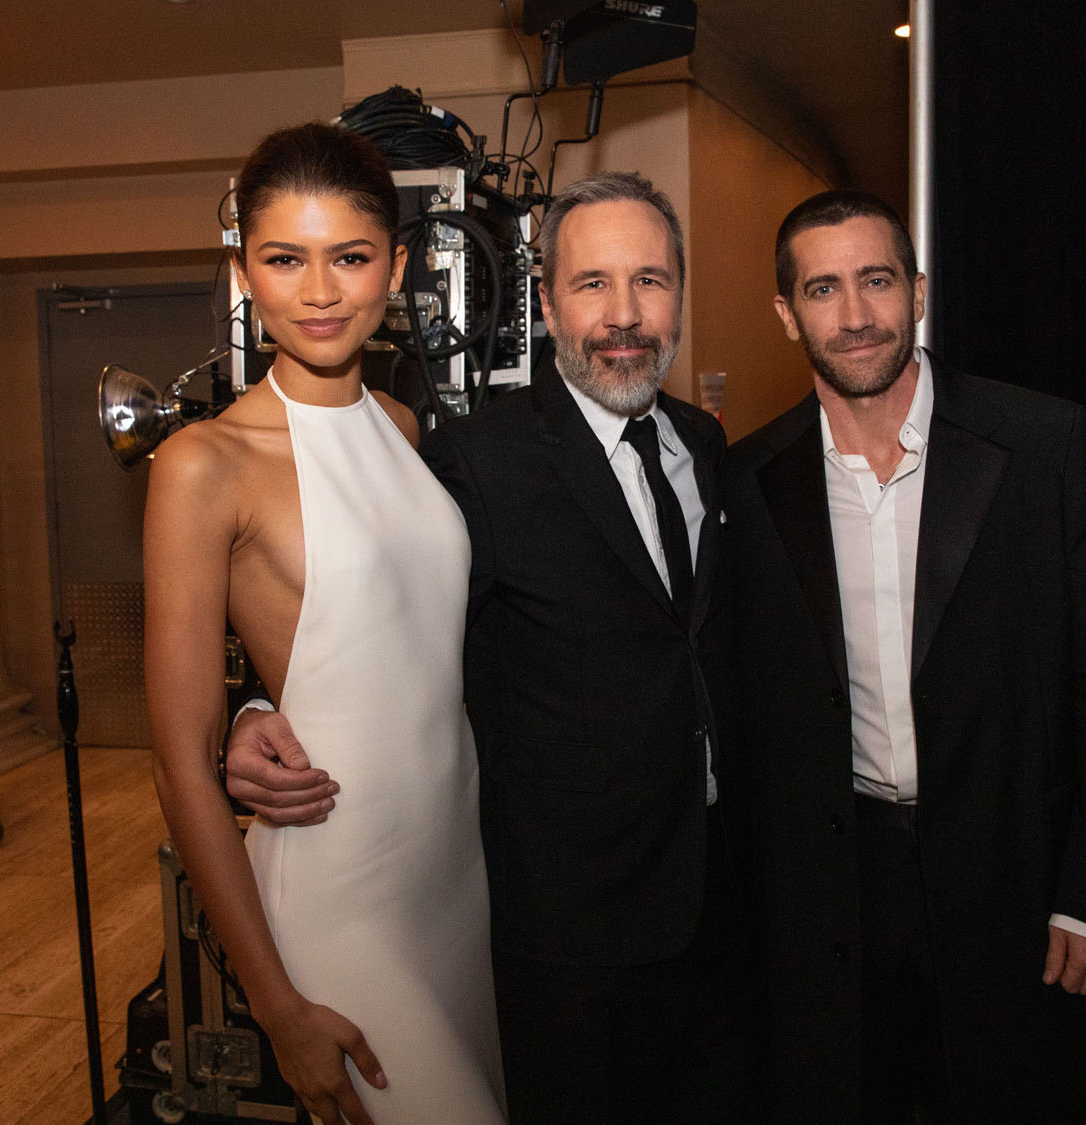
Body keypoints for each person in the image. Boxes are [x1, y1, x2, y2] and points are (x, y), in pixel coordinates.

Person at [226, 171, 750, 1124]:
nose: (624, 314)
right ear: (546, 306)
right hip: (568, 930)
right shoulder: (478, 461)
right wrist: (257, 708)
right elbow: (379, 620)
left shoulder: (704, 447)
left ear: (681, 294)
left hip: (717, 902)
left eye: (650, 280)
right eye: (592, 284)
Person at [717, 189, 1086, 1122]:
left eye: (876, 280)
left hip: (1019, 878)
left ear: (917, 292)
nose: (855, 314)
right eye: (824, 289)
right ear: (787, 314)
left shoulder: (1041, 443)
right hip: (840, 894)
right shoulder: (751, 481)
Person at [143, 122, 506, 1125]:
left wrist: (263, 705)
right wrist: (275, 1007)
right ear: (243, 274)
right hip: (341, 896)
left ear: (395, 268)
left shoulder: (399, 425)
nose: (318, 292)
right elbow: (180, 763)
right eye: (283, 259)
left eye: (348, 257)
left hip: (454, 873)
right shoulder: (202, 465)